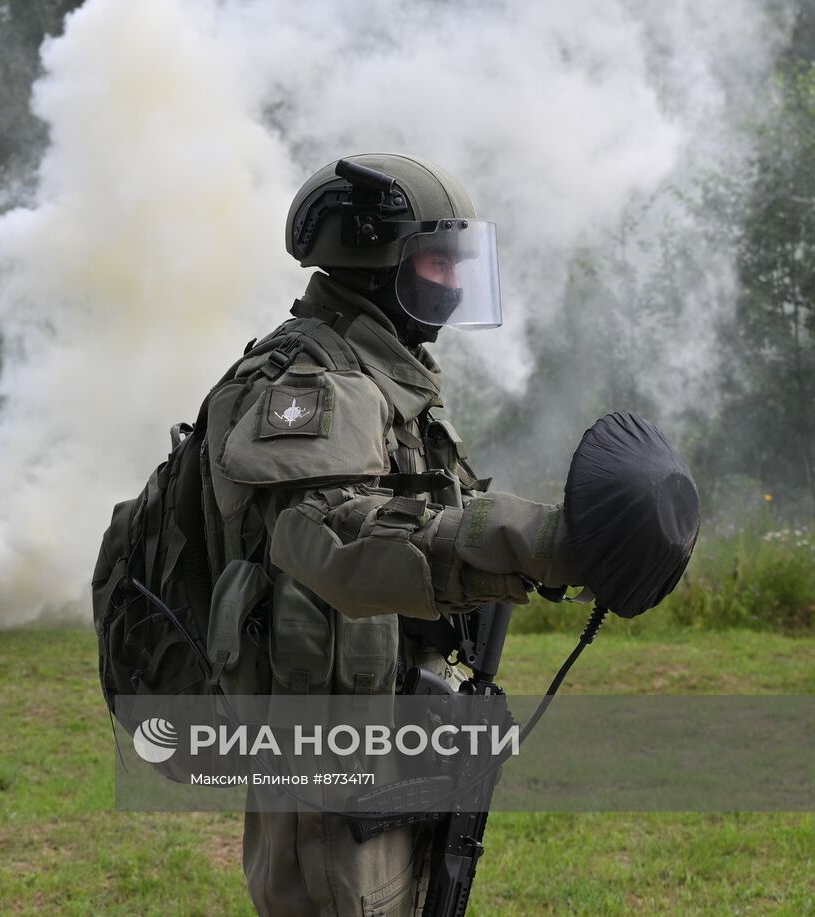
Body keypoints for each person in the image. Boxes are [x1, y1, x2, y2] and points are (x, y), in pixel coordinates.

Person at [201, 153, 588, 916]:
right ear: (372, 258)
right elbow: (333, 537)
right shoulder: (313, 379)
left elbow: (430, 508)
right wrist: (535, 541)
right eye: (438, 260)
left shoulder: (384, 374)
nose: (454, 281)